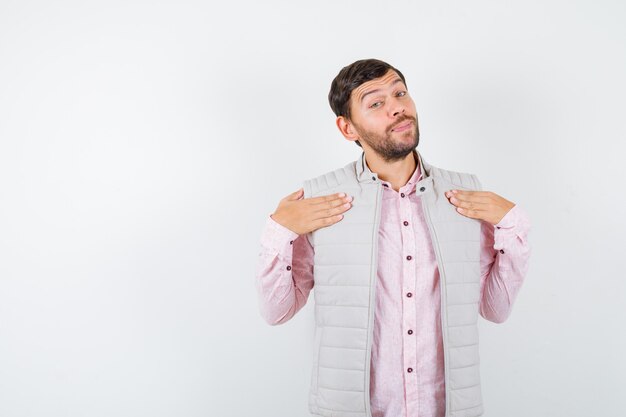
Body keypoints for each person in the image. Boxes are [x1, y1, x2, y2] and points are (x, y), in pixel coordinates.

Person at [255, 58, 531, 417]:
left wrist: (514, 225)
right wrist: (280, 229)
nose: (397, 107)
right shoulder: (319, 201)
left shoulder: (465, 195)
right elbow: (277, 311)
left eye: (400, 92)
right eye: (376, 103)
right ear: (347, 128)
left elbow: (495, 309)